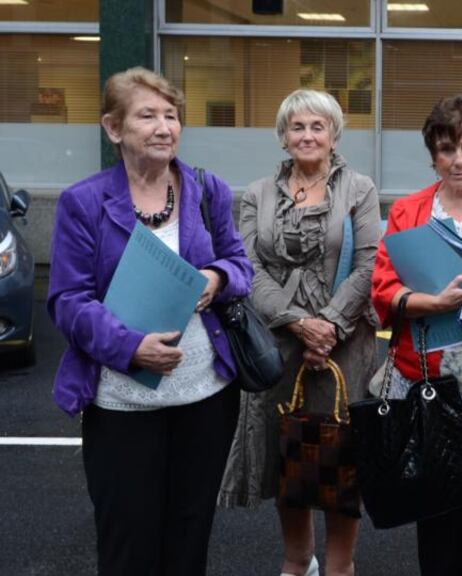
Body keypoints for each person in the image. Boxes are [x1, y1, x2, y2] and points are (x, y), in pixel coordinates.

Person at [47, 67, 252, 575]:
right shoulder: (84, 202)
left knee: (189, 541)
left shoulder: (208, 190)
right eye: (148, 116)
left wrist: (216, 278)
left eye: (172, 115)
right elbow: (68, 300)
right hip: (122, 403)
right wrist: (131, 347)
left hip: (205, 398)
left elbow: (241, 265)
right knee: (127, 546)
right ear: (114, 129)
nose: (165, 127)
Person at [217, 89, 381, 576]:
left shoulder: (360, 189)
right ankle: (295, 562)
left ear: (334, 134)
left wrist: (327, 325)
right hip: (276, 343)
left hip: (344, 345)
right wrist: (296, 321)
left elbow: (370, 264)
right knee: (287, 456)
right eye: (297, 127)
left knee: (339, 458)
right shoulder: (257, 194)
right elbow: (247, 267)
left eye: (317, 126)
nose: (307, 135)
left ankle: (339, 566)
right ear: (283, 137)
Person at [370, 94, 462, 576]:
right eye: (446, 149)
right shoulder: (410, 211)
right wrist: (431, 304)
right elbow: (382, 288)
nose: (458, 160)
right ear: (433, 155)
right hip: (429, 380)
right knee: (435, 511)